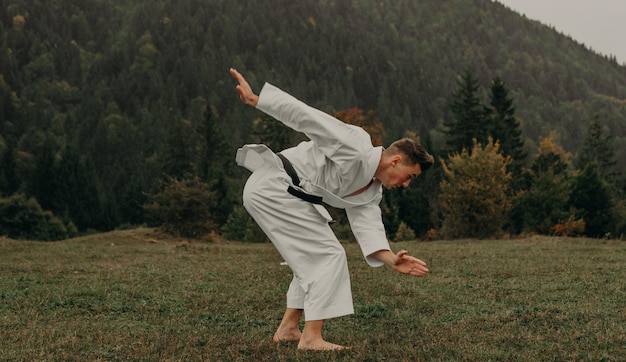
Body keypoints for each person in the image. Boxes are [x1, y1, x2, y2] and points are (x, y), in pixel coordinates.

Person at [230, 68, 433, 350]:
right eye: (409, 176)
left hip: (288, 195)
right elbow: (308, 118)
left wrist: (393, 261)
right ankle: (312, 338)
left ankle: (289, 328)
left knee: (312, 257)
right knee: (329, 255)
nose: (406, 185)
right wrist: (257, 100)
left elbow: (370, 231)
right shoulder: (356, 146)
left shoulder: (371, 191)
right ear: (396, 160)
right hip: (275, 185)